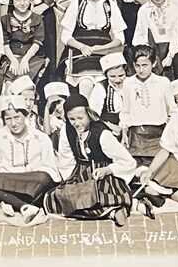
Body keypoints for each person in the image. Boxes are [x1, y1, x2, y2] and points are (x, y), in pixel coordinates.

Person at [43, 93, 136, 224]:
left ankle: (115, 209)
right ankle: (110, 211)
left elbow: (128, 162)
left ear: (88, 114)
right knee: (57, 197)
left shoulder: (102, 133)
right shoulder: (67, 131)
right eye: (72, 119)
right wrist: (70, 182)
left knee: (98, 194)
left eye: (80, 118)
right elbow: (66, 160)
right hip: (79, 172)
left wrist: (108, 170)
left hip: (102, 173)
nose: (76, 123)